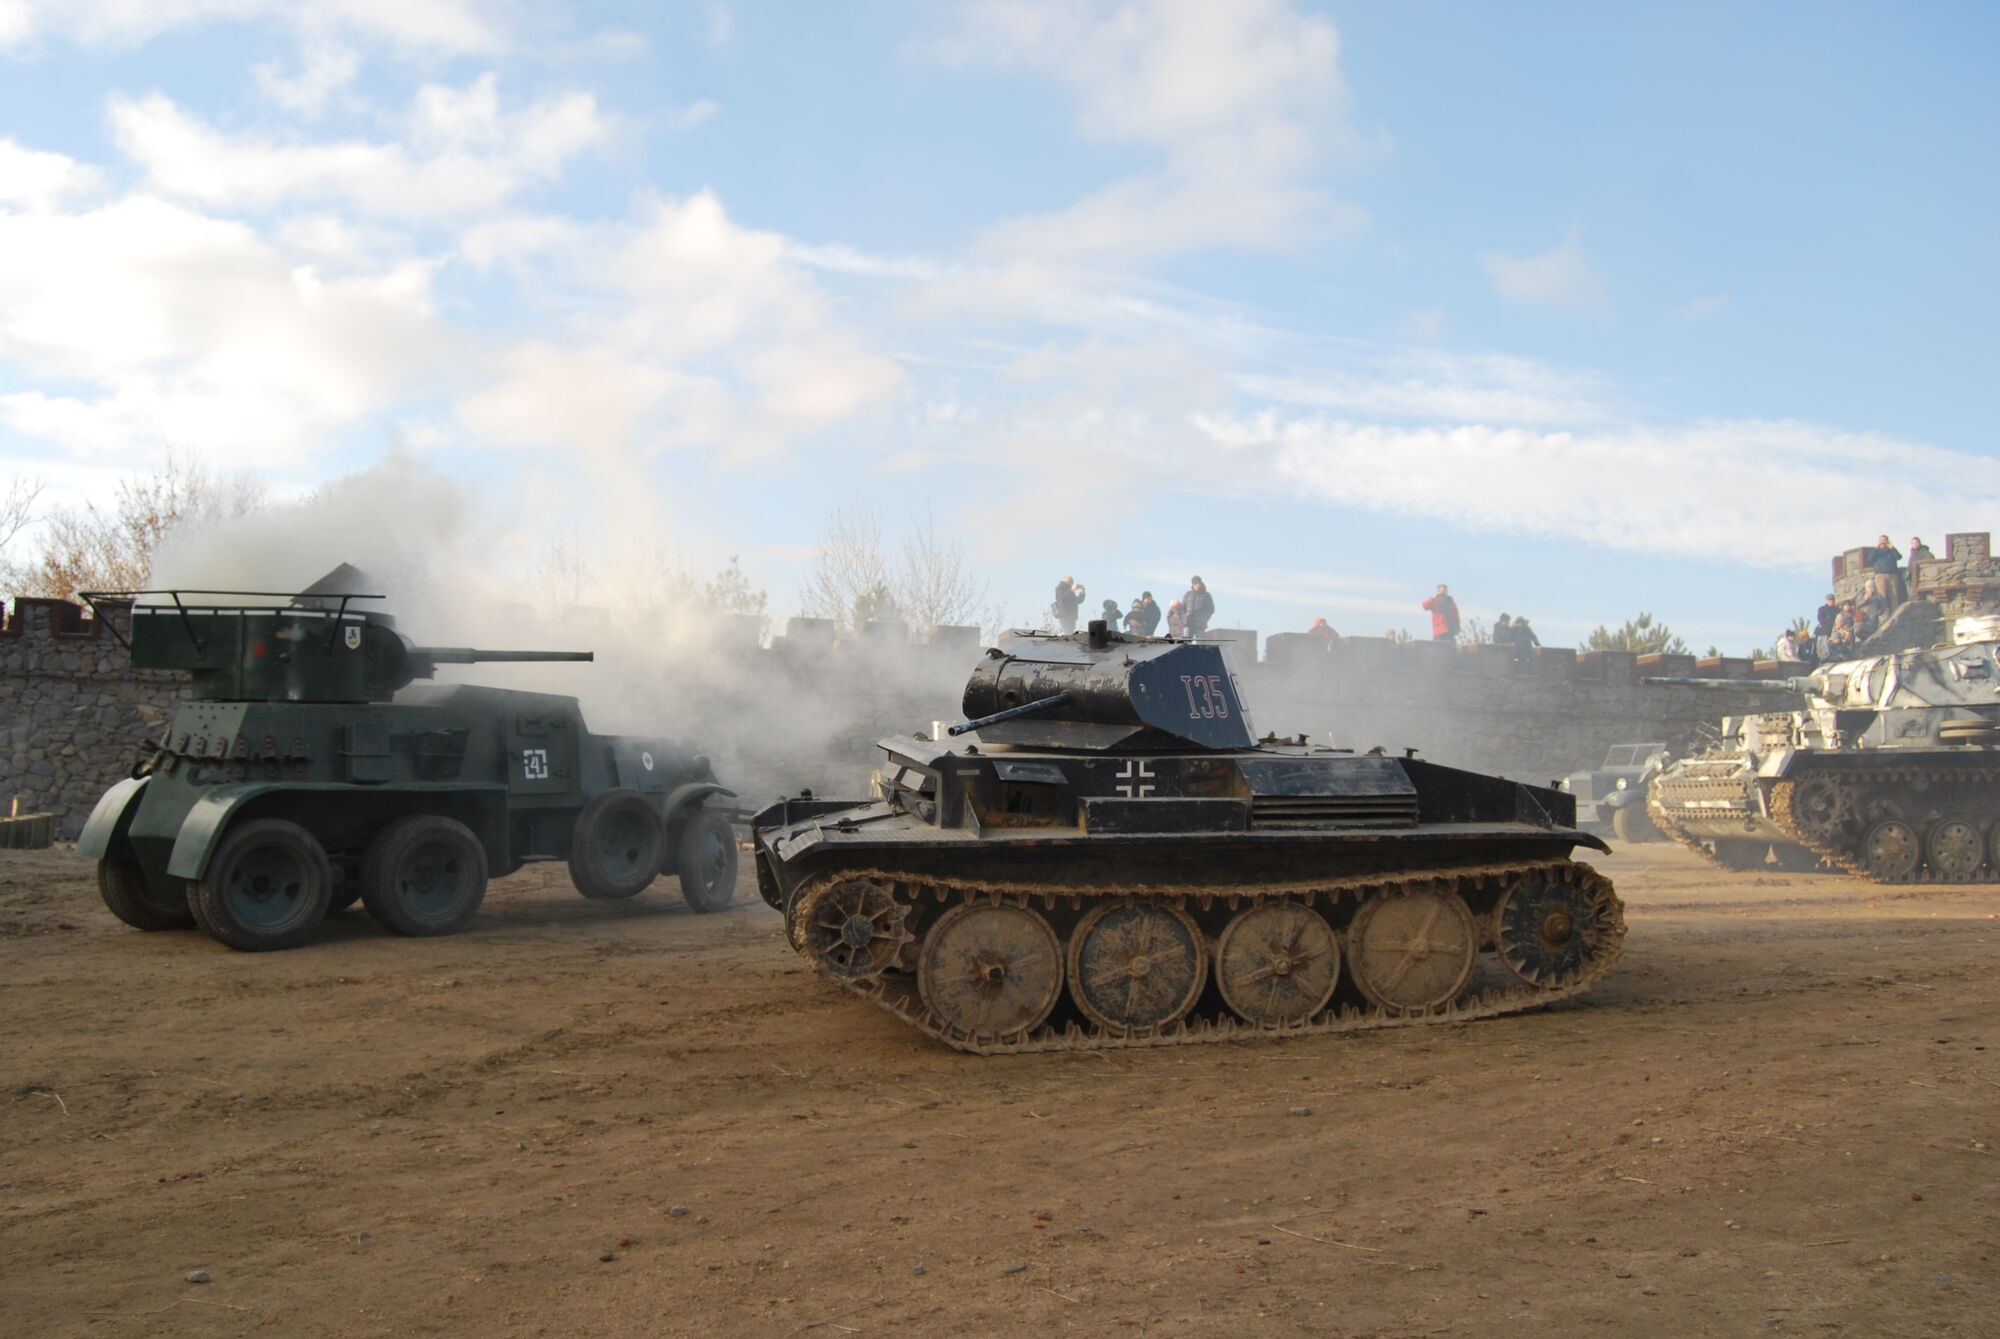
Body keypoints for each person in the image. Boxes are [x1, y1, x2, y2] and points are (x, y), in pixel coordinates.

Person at [1866, 534, 1903, 606]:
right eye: (1881, 540)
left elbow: (1898, 557)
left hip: (1892, 575)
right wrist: (1875, 549)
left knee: (1894, 595)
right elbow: (1870, 558)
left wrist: (1892, 548)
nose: (1883, 542)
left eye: (1884, 540)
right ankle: (1884, 611)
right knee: (1882, 595)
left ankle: (1895, 610)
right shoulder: (1876, 551)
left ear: (1887, 541)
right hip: (1880, 575)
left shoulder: (1891, 550)